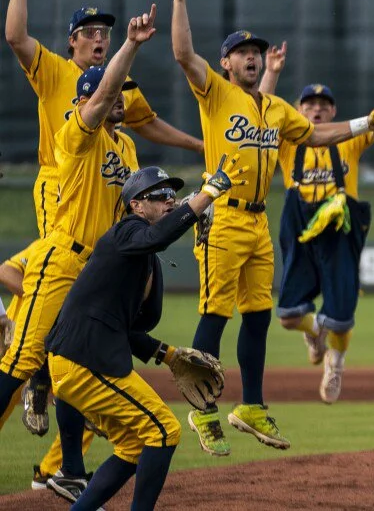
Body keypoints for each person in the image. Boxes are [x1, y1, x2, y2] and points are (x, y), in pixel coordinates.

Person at [170, 0, 374, 455]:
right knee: (215, 315)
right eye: (242, 52)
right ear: (225, 63)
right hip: (221, 215)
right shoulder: (216, 93)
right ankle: (202, 411)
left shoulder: (274, 107)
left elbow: (316, 135)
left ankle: (252, 405)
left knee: (260, 316)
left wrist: (368, 121)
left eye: (256, 52)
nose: (251, 57)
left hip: (258, 222)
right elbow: (183, 52)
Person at [6, 0, 202, 442]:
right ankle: (36, 363)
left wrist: (203, 149)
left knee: (87, 322)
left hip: (97, 209)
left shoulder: (120, 120)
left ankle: (62, 449)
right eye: (89, 31)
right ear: (72, 40)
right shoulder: (57, 73)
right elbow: (15, 36)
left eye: (104, 32)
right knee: (49, 284)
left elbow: (146, 121)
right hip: (61, 185)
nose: (99, 37)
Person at [0, 6, 155, 504]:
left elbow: (138, 210)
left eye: (122, 95)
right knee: (22, 359)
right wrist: (128, 46)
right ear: (87, 98)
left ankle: (68, 469)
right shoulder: (76, 131)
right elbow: (102, 95)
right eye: (112, 94)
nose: (120, 101)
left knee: (73, 363)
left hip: (95, 270)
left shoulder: (127, 148)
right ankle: (40, 394)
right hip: (60, 259)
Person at [44, 160, 243, 511]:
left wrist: (169, 355)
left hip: (82, 359)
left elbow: (127, 327)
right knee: (165, 430)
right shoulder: (126, 231)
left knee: (134, 447)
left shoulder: (142, 256)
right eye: (160, 195)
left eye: (173, 195)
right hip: (84, 358)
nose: (170, 199)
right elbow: (158, 235)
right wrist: (206, 196)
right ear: (136, 205)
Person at [274, 80, 374, 404]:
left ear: (334, 111)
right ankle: (313, 329)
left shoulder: (349, 141)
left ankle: (335, 363)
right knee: (289, 315)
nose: (317, 109)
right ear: (297, 110)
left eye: (323, 104)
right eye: (309, 104)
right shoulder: (285, 142)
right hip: (300, 230)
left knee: (341, 312)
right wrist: (274, 72)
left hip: (338, 232)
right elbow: (259, 112)